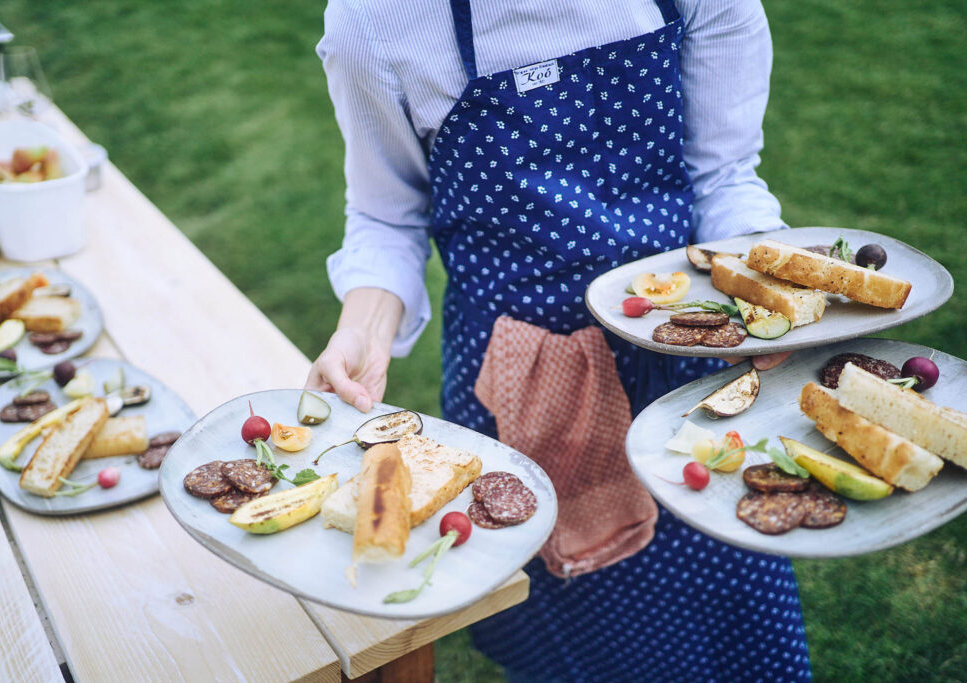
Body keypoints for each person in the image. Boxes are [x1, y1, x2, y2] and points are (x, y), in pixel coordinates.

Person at [308, 1, 812, 680]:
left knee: (733, 619)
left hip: (692, 375)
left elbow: (722, 175)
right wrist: (362, 330)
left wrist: (760, 292)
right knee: (596, 646)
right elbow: (385, 212)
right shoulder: (377, 19)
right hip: (523, 395)